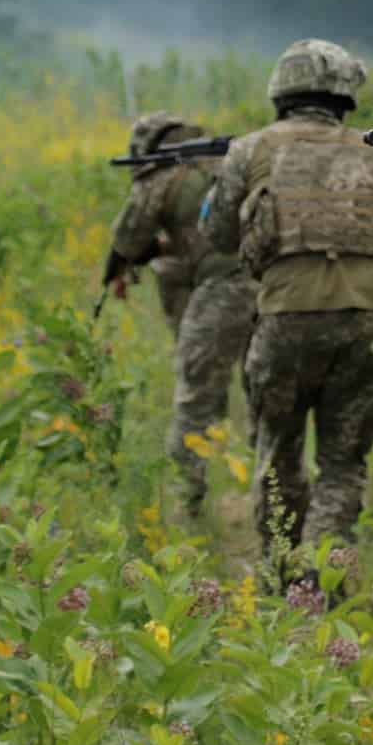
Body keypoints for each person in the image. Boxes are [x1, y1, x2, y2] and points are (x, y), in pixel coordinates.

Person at [202, 40, 373, 581]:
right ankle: (321, 576)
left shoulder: (250, 150)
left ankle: (287, 576)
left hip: (288, 314)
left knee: (279, 451)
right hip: (370, 317)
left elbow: (217, 234)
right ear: (344, 96)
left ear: (281, 92)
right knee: (343, 461)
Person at [102, 111, 254, 518]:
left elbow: (128, 238)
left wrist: (117, 269)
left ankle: (188, 502)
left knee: (194, 394)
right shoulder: (231, 162)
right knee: (267, 392)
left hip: (226, 287)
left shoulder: (162, 178)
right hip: (277, 283)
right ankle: (269, 495)